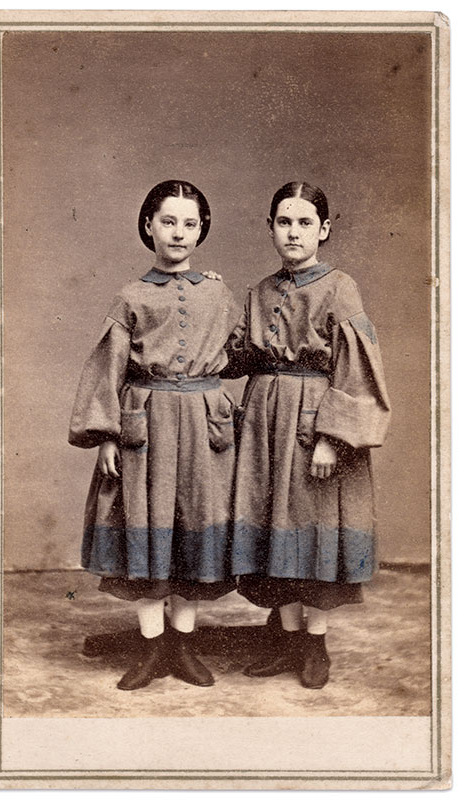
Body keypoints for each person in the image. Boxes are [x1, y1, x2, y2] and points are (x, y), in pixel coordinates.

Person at [68, 180, 239, 690]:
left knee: (194, 528)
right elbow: (107, 370)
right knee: (146, 527)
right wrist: (105, 435)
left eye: (190, 223)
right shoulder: (130, 297)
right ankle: (149, 647)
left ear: (202, 229)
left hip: (206, 428)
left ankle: (182, 645)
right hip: (146, 427)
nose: (179, 233)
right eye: (168, 221)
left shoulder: (219, 292)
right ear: (148, 226)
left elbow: (244, 349)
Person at [226, 181, 390, 689]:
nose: (293, 232)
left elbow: (357, 368)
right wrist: (207, 292)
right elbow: (233, 358)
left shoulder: (340, 286)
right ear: (270, 228)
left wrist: (332, 438)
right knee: (276, 528)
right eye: (283, 222)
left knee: (314, 529)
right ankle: (288, 639)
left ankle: (315, 643)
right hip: (264, 426)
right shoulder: (260, 292)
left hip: (313, 424)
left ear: (323, 229)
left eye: (303, 223)